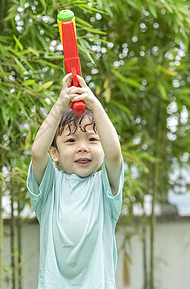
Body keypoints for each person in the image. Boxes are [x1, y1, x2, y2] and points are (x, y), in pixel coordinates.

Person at [27, 73, 124, 288]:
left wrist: (94, 105)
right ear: (55, 153)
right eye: (71, 140)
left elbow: (115, 155)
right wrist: (60, 105)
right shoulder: (49, 188)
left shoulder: (105, 186)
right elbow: (36, 153)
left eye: (92, 139)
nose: (82, 147)